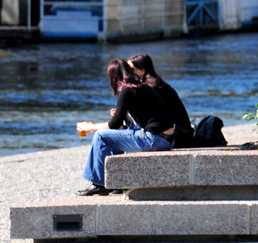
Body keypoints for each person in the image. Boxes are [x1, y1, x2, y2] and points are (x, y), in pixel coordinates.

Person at [77, 59, 174, 196]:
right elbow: (131, 120)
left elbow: (114, 124)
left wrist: (90, 127)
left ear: (113, 76)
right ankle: (116, 183)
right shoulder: (141, 87)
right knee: (117, 134)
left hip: (154, 139)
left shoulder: (126, 90)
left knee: (100, 136)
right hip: (165, 138)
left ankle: (98, 183)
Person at [127, 53, 194, 147]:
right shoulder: (154, 82)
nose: (127, 72)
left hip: (177, 136)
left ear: (142, 71)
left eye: (131, 69)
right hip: (182, 132)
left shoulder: (151, 87)